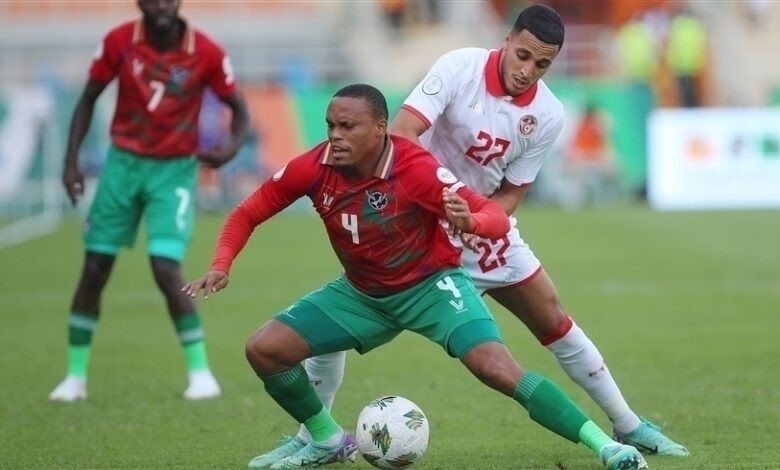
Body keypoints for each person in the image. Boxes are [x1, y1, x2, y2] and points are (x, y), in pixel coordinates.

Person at [291, 4, 689, 458]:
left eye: (542, 64)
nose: (528, 71)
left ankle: (628, 424)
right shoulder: (459, 68)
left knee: (553, 318)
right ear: (507, 40)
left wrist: (478, 222)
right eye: (523, 55)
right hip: (418, 228)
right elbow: (402, 133)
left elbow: (512, 192)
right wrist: (444, 200)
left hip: (479, 230)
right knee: (341, 318)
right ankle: (315, 439)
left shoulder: (548, 114)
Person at [183, 84, 647, 470]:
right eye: (330, 125)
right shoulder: (314, 166)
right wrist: (222, 263)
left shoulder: (415, 169)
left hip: (432, 288)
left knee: (497, 369)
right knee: (264, 349)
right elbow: (247, 211)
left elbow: (493, 215)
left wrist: (471, 221)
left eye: (347, 126)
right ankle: (327, 440)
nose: (335, 136)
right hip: (361, 295)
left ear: (380, 128)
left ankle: (606, 447)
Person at [49, 0, 250, 402]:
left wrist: (230, 148)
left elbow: (239, 110)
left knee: (165, 267)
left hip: (174, 170)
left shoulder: (206, 51)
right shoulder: (119, 41)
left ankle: (200, 373)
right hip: (122, 165)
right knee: (95, 266)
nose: (161, 4)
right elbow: (87, 99)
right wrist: (70, 162)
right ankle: (74, 377)